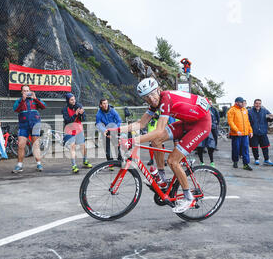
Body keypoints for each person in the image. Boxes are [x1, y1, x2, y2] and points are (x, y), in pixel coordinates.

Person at [112, 78, 213, 213]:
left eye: (153, 94)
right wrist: (116, 130)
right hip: (187, 122)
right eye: (147, 97)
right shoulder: (155, 103)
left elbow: (159, 130)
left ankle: (189, 198)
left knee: (172, 161)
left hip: (201, 125)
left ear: (158, 90)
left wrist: (132, 141)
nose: (152, 99)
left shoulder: (165, 100)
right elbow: (141, 124)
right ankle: (162, 178)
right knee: (156, 141)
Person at [12, 85, 46, 173]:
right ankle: (19, 165)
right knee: (21, 145)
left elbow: (43, 106)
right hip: (23, 125)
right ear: (21, 92)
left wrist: (36, 98)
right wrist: (22, 100)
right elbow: (15, 109)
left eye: (27, 90)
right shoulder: (19, 101)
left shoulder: (34, 99)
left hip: (35, 124)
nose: (26, 92)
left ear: (30, 91)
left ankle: (39, 163)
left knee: (36, 144)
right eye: (24, 91)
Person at [62, 92, 92, 173]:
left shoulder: (79, 106)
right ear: (68, 101)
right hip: (69, 130)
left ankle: (85, 161)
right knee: (72, 147)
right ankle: (74, 165)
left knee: (83, 146)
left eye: (74, 99)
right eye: (71, 100)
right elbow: (68, 121)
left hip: (78, 129)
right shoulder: (64, 109)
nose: (74, 101)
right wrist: (75, 114)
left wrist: (82, 115)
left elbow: (84, 119)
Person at [227, 97, 253, 171]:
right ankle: (235, 162)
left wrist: (250, 131)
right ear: (237, 102)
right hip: (236, 134)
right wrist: (236, 130)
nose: (243, 104)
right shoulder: (231, 110)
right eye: (242, 102)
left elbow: (247, 122)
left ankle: (246, 164)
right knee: (236, 148)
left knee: (245, 149)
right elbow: (230, 122)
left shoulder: (245, 110)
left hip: (245, 134)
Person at [248, 99, 273, 166]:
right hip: (254, 132)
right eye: (256, 103)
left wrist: (272, 117)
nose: (258, 105)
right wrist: (249, 131)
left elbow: (270, 118)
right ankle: (256, 159)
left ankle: (266, 160)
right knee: (254, 147)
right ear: (254, 104)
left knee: (265, 146)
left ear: (261, 104)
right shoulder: (249, 111)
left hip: (263, 132)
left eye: (259, 103)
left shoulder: (264, 111)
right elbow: (247, 122)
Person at [95, 99, 122, 163]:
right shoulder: (98, 113)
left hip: (114, 129)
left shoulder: (112, 111)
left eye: (106, 103)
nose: (105, 105)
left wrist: (115, 128)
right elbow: (98, 123)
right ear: (100, 105)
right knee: (107, 147)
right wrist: (104, 130)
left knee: (116, 145)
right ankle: (110, 162)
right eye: (104, 103)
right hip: (105, 131)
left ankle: (120, 160)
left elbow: (119, 120)